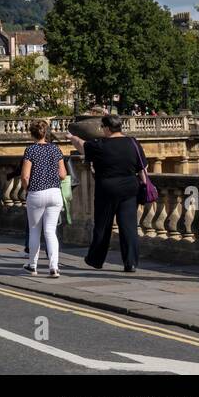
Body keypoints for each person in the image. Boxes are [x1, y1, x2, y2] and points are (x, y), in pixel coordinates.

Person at [69, 114, 146, 272]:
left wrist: (72, 137)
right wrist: (144, 184)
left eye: (102, 127)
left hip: (107, 189)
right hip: (130, 188)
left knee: (103, 225)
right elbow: (142, 169)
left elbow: (82, 146)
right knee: (129, 227)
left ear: (107, 128)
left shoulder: (100, 144)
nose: (102, 130)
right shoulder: (133, 142)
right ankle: (130, 262)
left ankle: (96, 259)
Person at [21, 118, 68, 277]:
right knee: (50, 231)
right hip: (55, 193)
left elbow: (25, 176)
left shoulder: (30, 150)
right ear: (46, 132)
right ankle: (54, 267)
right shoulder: (56, 149)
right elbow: (63, 174)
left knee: (35, 231)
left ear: (32, 134)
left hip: (36, 193)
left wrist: (27, 190)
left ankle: (33, 266)